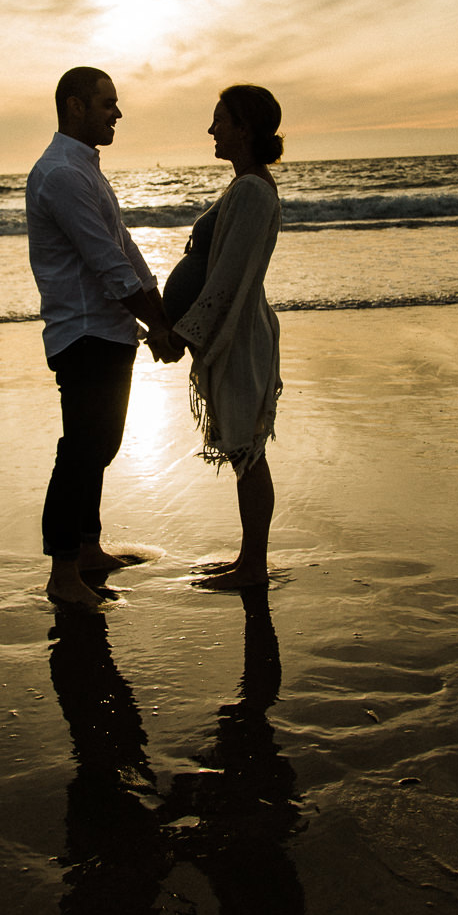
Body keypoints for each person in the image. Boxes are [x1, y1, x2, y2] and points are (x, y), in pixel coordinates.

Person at [27, 67, 180, 607]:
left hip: (109, 328)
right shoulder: (61, 174)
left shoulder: (85, 169)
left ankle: (87, 549)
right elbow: (105, 263)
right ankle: (62, 572)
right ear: (75, 107)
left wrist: (156, 309)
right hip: (84, 329)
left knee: (101, 445)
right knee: (83, 448)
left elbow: (126, 249)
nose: (117, 112)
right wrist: (157, 324)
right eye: (107, 103)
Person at [163, 84, 283, 590]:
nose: (212, 130)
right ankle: (247, 559)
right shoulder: (244, 186)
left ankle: (253, 565)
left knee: (247, 451)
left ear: (244, 128)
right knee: (243, 451)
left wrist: (183, 334)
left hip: (239, 335)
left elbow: (230, 277)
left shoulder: (253, 191)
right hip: (232, 332)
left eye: (220, 120)